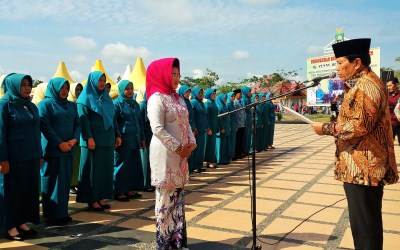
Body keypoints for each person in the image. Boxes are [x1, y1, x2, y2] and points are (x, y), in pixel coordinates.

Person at [312, 38, 398, 250]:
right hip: (360, 166)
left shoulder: (367, 86)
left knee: (365, 227)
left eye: (340, 62)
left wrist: (324, 129)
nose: (337, 68)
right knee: (364, 225)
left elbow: (358, 126)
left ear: (357, 62)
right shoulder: (362, 84)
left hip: (365, 168)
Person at [146, 57, 196, 250]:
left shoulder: (177, 97)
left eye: (177, 74)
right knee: (166, 199)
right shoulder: (156, 98)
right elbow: (157, 129)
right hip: (166, 154)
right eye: (172, 74)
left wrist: (191, 142)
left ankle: (177, 241)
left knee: (178, 198)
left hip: (181, 154)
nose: (176, 78)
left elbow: (186, 122)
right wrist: (178, 147)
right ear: (162, 75)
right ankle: (165, 244)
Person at [0, 73, 41, 241]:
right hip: (13, 158)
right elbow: (0, 134)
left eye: (29, 85)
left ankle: (21, 221)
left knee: (27, 191)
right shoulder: (4, 105)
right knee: (10, 192)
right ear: (13, 86)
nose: (27, 88)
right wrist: (2, 159)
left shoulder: (31, 106)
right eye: (22, 85)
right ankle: (9, 225)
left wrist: (39, 154)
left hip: (30, 156)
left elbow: (36, 133)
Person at [76, 71, 121, 211]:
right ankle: (91, 199)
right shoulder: (84, 99)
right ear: (92, 81)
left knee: (104, 171)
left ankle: (100, 197)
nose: (102, 83)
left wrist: (117, 135)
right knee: (92, 171)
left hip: (106, 139)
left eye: (103, 80)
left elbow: (113, 119)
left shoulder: (106, 98)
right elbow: (83, 120)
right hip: (92, 141)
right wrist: (89, 137)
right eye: (99, 80)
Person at [38, 77, 80, 224]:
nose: (64, 91)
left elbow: (78, 124)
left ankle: (62, 212)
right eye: (61, 88)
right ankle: (50, 214)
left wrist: (74, 140)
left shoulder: (71, 105)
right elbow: (45, 126)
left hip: (68, 148)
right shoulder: (45, 104)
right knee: (50, 181)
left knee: (64, 182)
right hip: (52, 150)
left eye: (66, 88)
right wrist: (59, 143)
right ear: (54, 88)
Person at [113, 80, 145, 201]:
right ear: (121, 90)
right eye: (127, 89)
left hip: (135, 139)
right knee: (121, 165)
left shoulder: (135, 104)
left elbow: (140, 122)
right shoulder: (117, 104)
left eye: (131, 88)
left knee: (132, 165)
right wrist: (117, 136)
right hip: (123, 140)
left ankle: (129, 189)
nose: (130, 91)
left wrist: (142, 138)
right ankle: (119, 191)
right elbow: (114, 122)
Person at [67, 83, 83, 194]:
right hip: (71, 138)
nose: (79, 92)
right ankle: (71, 184)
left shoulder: (81, 103)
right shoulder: (69, 105)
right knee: (72, 161)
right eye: (76, 90)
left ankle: (76, 182)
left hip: (80, 137)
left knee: (78, 161)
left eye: (80, 90)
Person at [178, 86, 196, 173]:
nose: (188, 94)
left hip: (190, 128)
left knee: (190, 148)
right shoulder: (179, 102)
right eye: (186, 92)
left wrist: (194, 127)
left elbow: (191, 116)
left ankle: (190, 168)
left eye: (189, 92)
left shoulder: (188, 102)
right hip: (183, 129)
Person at [190, 87, 209, 173]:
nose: (201, 94)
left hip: (202, 129)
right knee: (196, 149)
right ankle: (194, 166)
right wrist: (194, 127)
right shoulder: (193, 102)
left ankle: (199, 165)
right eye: (199, 93)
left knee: (201, 148)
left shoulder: (202, 103)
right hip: (197, 129)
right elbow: (191, 117)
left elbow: (205, 116)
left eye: (202, 93)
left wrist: (207, 127)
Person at [140, 92, 155, 192]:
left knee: (152, 160)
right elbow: (140, 124)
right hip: (145, 136)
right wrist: (142, 138)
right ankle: (145, 183)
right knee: (145, 160)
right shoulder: (142, 106)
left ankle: (150, 182)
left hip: (153, 136)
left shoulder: (153, 105)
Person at [204, 88, 218, 168]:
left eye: (215, 94)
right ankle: (209, 161)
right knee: (209, 145)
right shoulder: (207, 103)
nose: (214, 95)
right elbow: (206, 117)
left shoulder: (213, 103)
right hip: (210, 128)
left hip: (214, 126)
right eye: (213, 94)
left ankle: (211, 160)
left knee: (212, 145)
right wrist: (208, 128)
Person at [215, 93, 231, 165]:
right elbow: (218, 119)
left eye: (226, 98)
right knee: (220, 145)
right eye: (224, 98)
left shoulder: (225, 106)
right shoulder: (219, 107)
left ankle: (225, 159)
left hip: (226, 127)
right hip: (222, 129)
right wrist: (221, 127)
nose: (225, 100)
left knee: (225, 145)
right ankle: (220, 159)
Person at [387, 77, 400, 145]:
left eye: (390, 85)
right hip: (390, 124)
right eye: (387, 86)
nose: (388, 88)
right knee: (388, 145)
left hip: (399, 123)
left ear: (396, 85)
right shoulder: (386, 96)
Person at [233, 89, 246, 159]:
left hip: (242, 124)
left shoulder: (240, 102)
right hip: (238, 125)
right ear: (236, 95)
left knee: (240, 140)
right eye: (240, 94)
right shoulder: (235, 103)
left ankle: (239, 153)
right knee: (237, 140)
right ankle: (236, 154)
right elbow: (235, 115)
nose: (241, 95)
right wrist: (237, 125)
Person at [226, 91, 237, 160]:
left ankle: (232, 155)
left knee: (233, 140)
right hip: (230, 124)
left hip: (233, 124)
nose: (233, 98)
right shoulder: (228, 104)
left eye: (234, 96)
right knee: (230, 141)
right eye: (231, 96)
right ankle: (229, 155)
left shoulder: (233, 104)